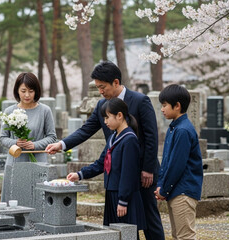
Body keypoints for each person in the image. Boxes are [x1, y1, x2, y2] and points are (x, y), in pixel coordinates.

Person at [46, 61, 165, 240]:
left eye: (103, 87)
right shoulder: (103, 105)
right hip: (117, 176)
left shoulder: (140, 100)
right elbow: (86, 130)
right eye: (98, 87)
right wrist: (62, 144)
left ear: (115, 83)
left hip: (142, 172)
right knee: (123, 222)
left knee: (148, 218)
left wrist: (148, 169)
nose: (100, 91)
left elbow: (151, 137)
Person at [67, 98, 146, 233]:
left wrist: (123, 200)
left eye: (107, 117)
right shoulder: (113, 137)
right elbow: (101, 163)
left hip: (124, 196)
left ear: (119, 116)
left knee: (127, 234)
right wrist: (80, 174)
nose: (105, 122)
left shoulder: (130, 139)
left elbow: (128, 173)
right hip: (111, 192)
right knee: (113, 233)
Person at [155, 84, 203, 240]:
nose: (162, 109)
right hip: (176, 190)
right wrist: (161, 186)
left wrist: (164, 189)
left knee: (185, 236)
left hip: (183, 190)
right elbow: (167, 162)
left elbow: (177, 165)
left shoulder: (182, 130)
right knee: (178, 236)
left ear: (177, 106)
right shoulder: (175, 128)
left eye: (164, 105)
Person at [0, 72, 57, 166]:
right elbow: (2, 138)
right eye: (23, 91)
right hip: (15, 161)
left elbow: (52, 137)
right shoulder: (9, 111)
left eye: (31, 91)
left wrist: (35, 145)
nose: (27, 95)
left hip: (38, 161)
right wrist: (16, 142)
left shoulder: (45, 110)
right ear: (17, 90)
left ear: (36, 91)